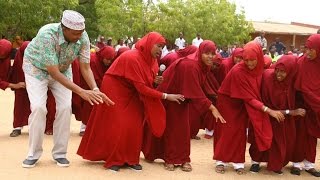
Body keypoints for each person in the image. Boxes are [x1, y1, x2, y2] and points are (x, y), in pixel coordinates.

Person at [77, 32, 184, 172]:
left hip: (133, 90)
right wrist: (166, 96)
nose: (160, 49)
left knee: (136, 122)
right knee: (121, 123)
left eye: (162, 46)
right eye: (158, 45)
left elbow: (145, 82)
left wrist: (154, 81)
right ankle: (115, 159)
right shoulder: (132, 57)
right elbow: (142, 88)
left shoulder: (152, 60)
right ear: (149, 43)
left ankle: (131, 159)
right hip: (115, 88)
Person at [21, 10, 113, 168]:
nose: (79, 37)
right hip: (36, 70)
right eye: (75, 33)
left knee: (65, 108)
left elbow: (85, 68)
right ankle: (33, 153)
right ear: (63, 28)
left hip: (62, 69)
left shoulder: (83, 37)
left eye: (81, 33)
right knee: (38, 108)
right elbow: (53, 71)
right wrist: (82, 92)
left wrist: (95, 89)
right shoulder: (47, 35)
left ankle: (60, 154)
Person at [142, 40, 225, 172]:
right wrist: (212, 107)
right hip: (170, 96)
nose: (210, 56)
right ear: (200, 53)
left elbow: (199, 85)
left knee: (182, 129)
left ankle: (183, 158)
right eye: (206, 53)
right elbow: (196, 91)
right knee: (172, 128)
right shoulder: (190, 65)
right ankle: (170, 158)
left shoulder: (202, 64)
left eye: (213, 53)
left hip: (182, 96)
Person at [213, 41, 284, 175]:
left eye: (253, 60)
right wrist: (268, 110)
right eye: (246, 60)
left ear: (259, 57)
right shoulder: (238, 71)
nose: (250, 63)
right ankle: (220, 161)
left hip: (243, 103)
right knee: (226, 131)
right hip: (228, 102)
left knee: (240, 132)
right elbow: (249, 98)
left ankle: (238, 163)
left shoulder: (260, 68)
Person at [249, 55, 306, 175]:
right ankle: (256, 162)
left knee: (282, 140)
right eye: (277, 70)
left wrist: (290, 112)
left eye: (283, 72)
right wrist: (290, 112)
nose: (278, 74)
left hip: (283, 119)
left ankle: (276, 163)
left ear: (290, 72)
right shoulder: (266, 78)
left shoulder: (293, 83)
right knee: (260, 139)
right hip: (264, 114)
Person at [9, 41, 56, 137]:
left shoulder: (38, 56)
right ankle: (17, 127)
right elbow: (15, 74)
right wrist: (17, 84)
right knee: (20, 105)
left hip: (39, 84)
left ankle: (43, 127)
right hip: (22, 86)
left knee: (41, 105)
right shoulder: (19, 59)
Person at [292, 34, 320, 177]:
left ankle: (309, 164)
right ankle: (296, 164)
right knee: (300, 135)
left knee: (312, 136)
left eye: (311, 49)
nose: (307, 52)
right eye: (306, 48)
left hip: (315, 107)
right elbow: (295, 85)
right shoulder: (300, 62)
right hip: (301, 105)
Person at [79, 46, 116, 136]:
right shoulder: (93, 60)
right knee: (89, 106)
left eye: (111, 60)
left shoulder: (108, 63)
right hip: (89, 85)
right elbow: (93, 77)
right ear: (102, 56)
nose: (109, 62)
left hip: (101, 86)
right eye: (107, 59)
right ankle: (84, 128)